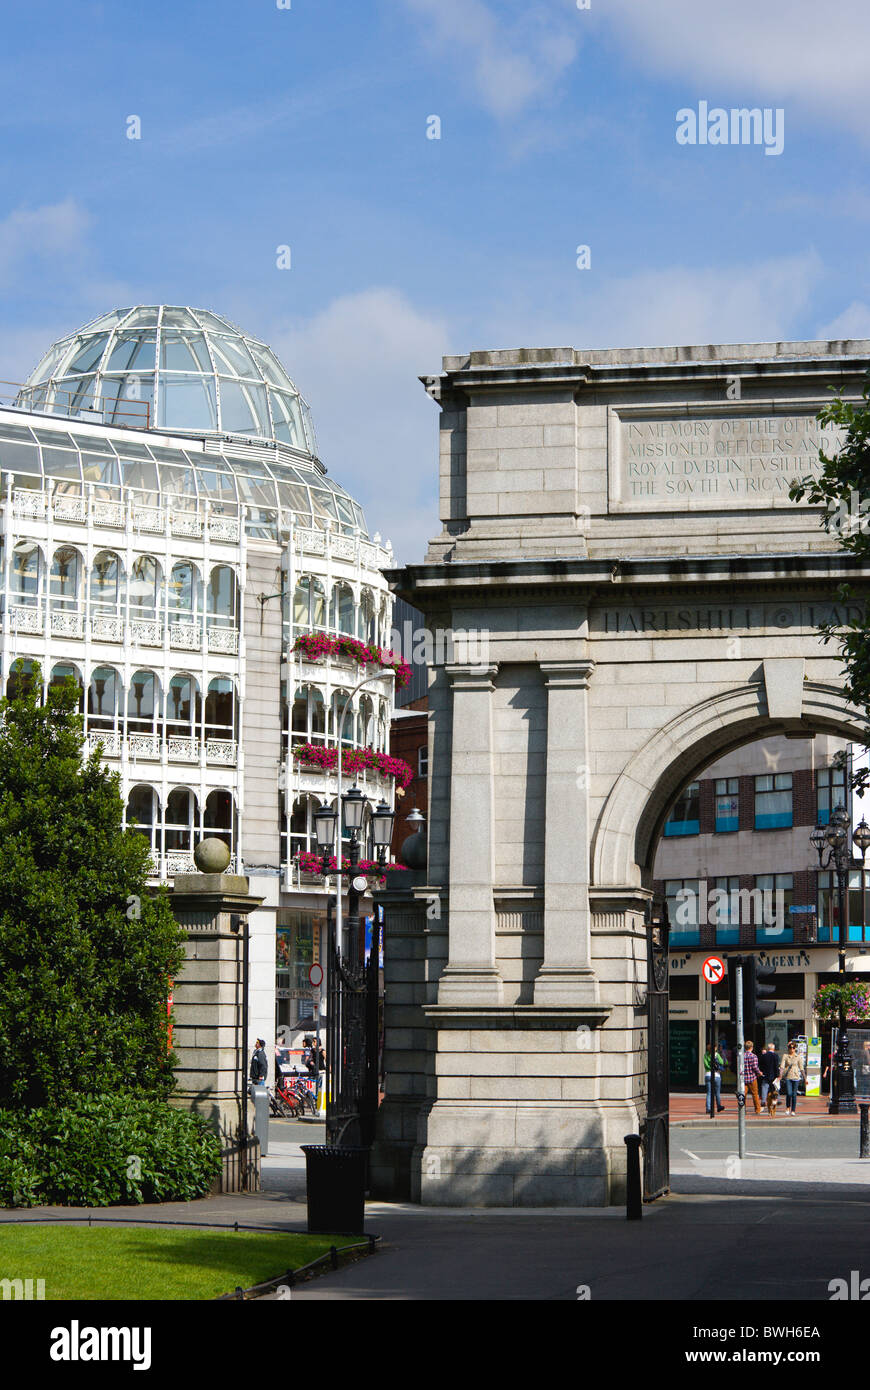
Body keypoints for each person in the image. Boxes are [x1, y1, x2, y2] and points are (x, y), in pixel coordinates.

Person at [779, 1040, 806, 1116]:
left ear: (795, 1049)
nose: (792, 1049)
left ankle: (793, 1110)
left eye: (793, 1048)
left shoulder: (798, 1057)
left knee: (794, 1094)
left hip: (796, 1077)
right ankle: (788, 1107)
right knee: (789, 1093)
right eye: (790, 1048)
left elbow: (801, 1068)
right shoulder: (785, 1056)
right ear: (788, 1049)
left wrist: (805, 1078)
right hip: (788, 1076)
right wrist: (780, 1075)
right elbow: (782, 1066)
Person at [759, 1042, 781, 1116]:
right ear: (773, 1049)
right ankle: (777, 1100)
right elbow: (776, 1066)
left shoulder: (764, 1056)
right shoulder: (776, 1056)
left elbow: (761, 1065)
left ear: (768, 1049)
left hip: (766, 1075)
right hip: (774, 1076)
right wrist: (778, 1075)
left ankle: (763, 1101)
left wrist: (762, 1072)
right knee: (775, 1089)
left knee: (764, 1088)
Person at [704, 1042, 726, 1114]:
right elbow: (722, 1062)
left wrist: (710, 1067)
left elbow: (706, 1065)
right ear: (715, 1048)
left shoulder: (706, 1055)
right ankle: (719, 1106)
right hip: (716, 1075)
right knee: (717, 1092)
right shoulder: (717, 1054)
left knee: (709, 1093)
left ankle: (708, 1108)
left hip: (708, 1074)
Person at [743, 1039, 762, 1115]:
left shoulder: (742, 1056)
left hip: (744, 1078)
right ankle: (757, 1109)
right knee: (755, 1094)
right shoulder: (753, 1056)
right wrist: (759, 1072)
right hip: (752, 1077)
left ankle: (742, 1109)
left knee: (743, 1095)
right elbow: (755, 1067)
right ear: (752, 1047)